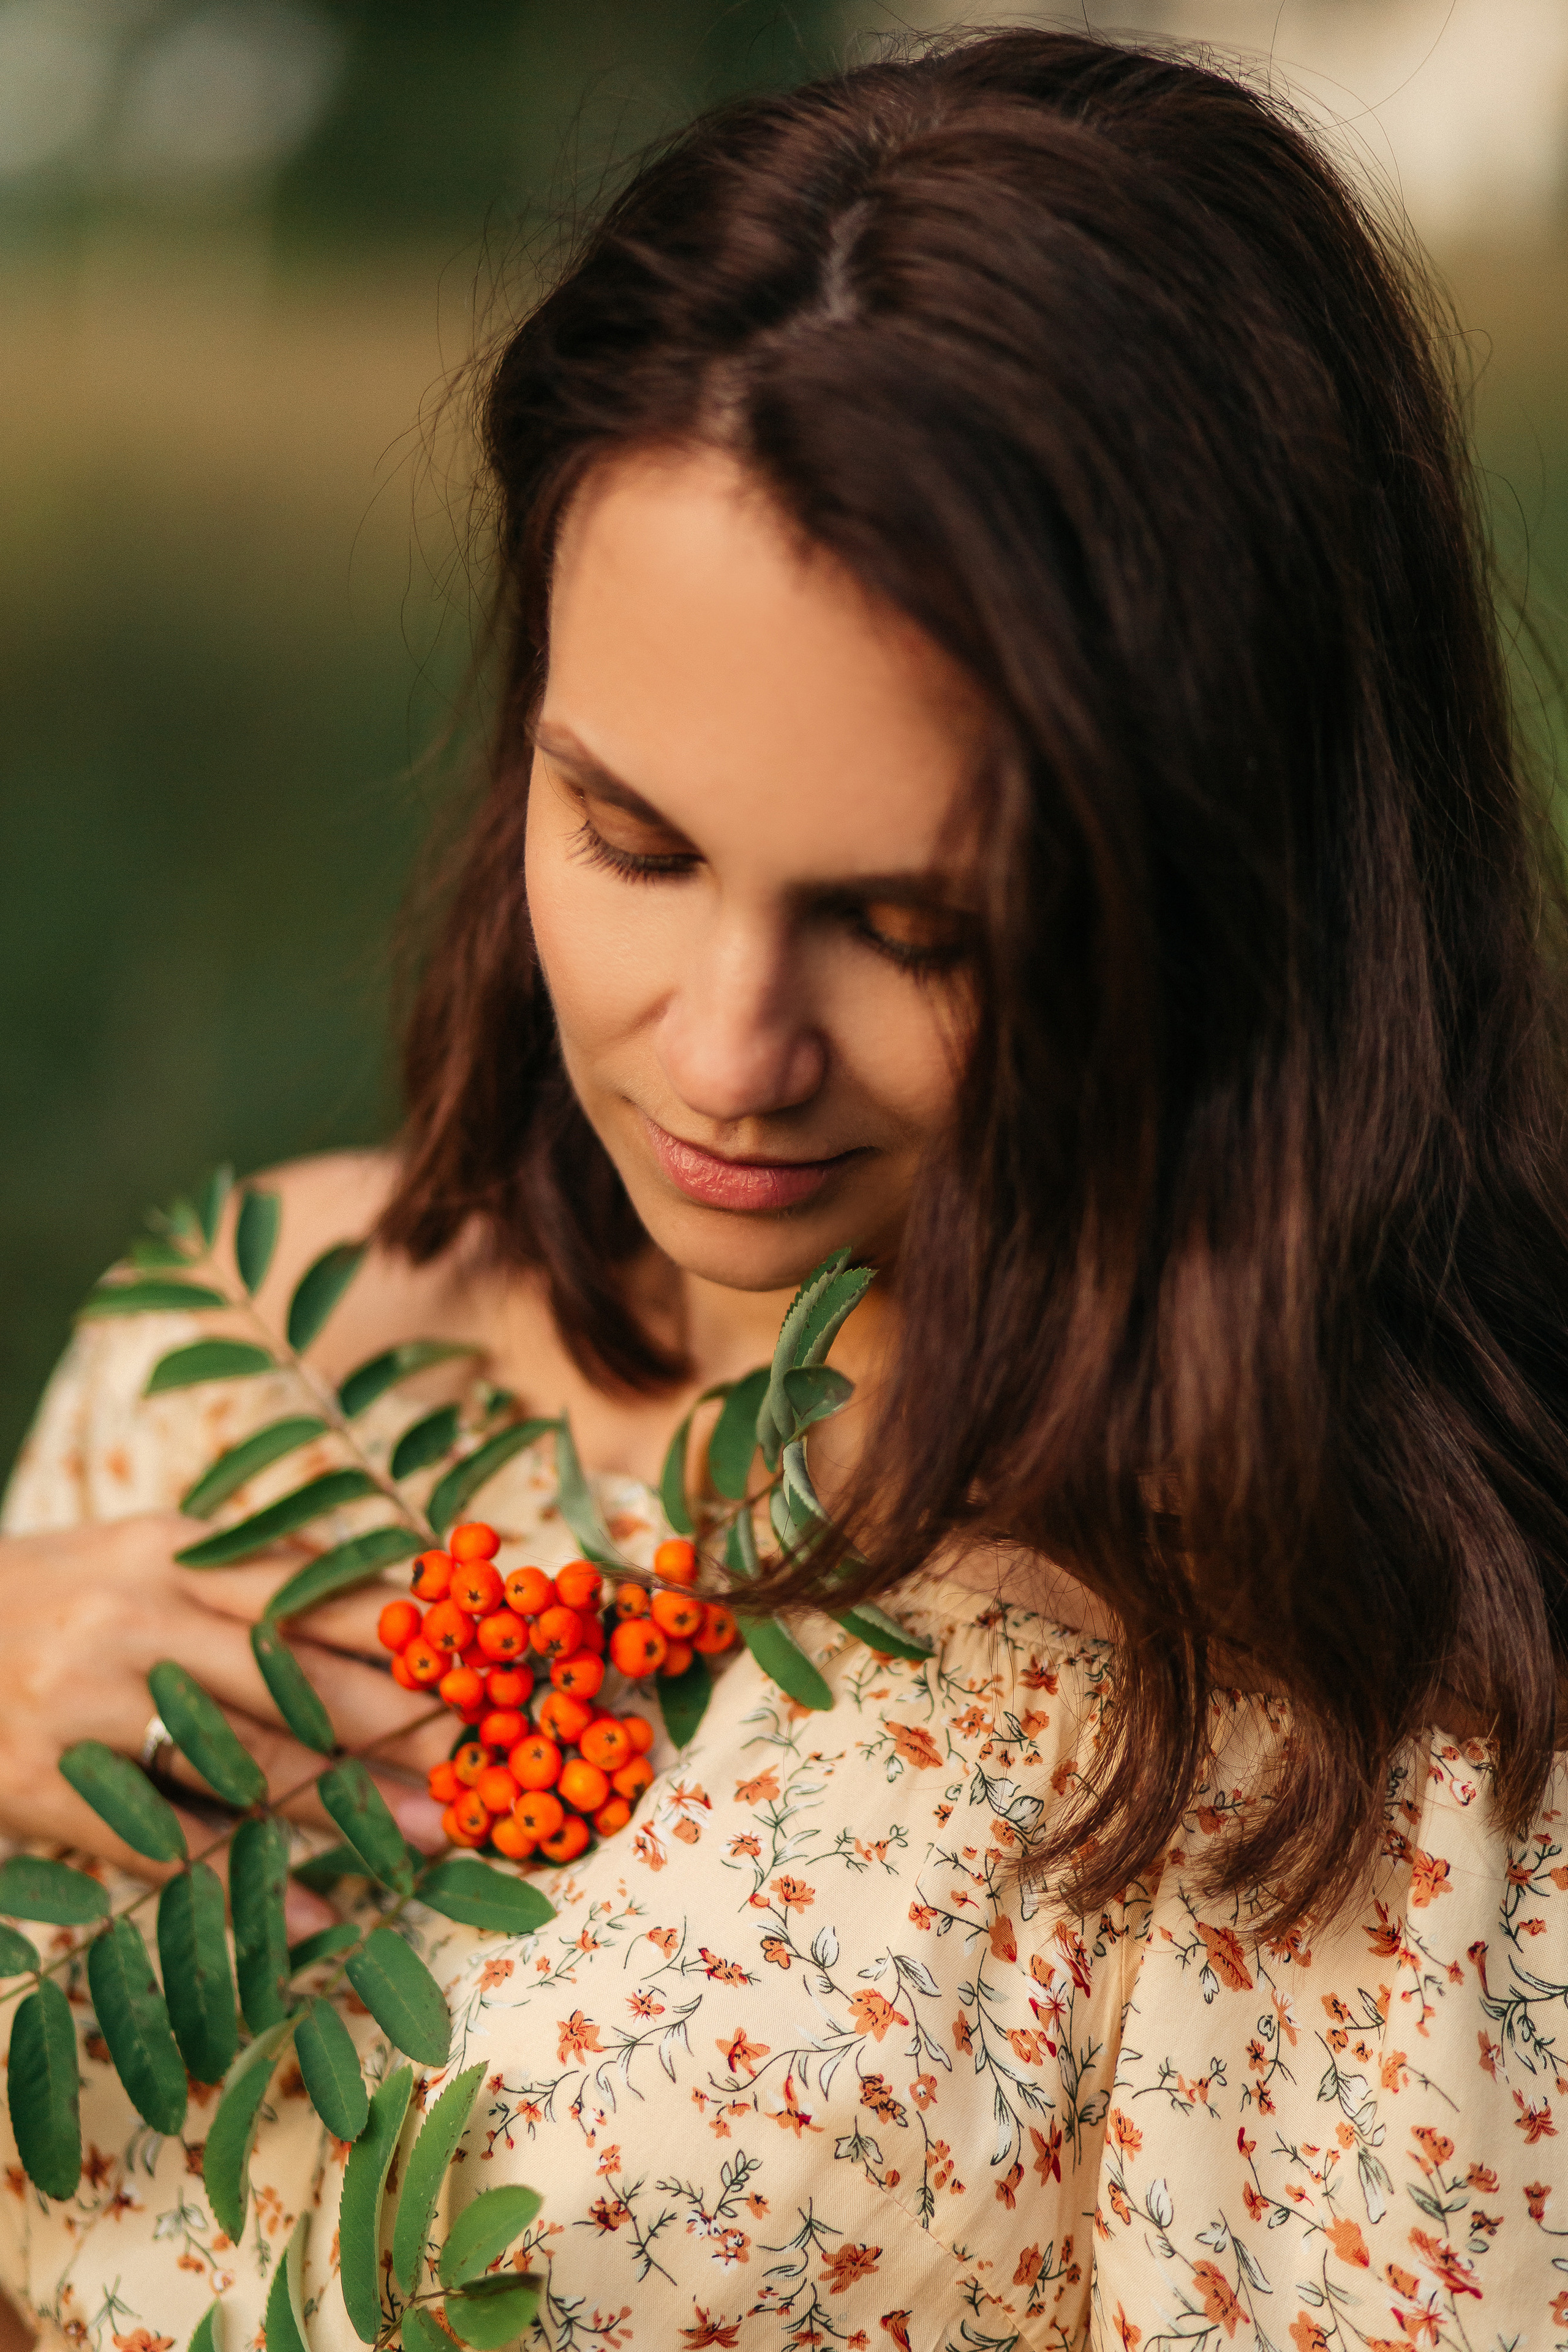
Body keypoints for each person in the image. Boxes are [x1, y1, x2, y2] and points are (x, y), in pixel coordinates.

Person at [2, 26, 1566, 2349]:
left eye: (917, 926)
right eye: (629, 841)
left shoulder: (1339, 1732)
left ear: (1238, 894)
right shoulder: (256, 1330)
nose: (730, 1050)